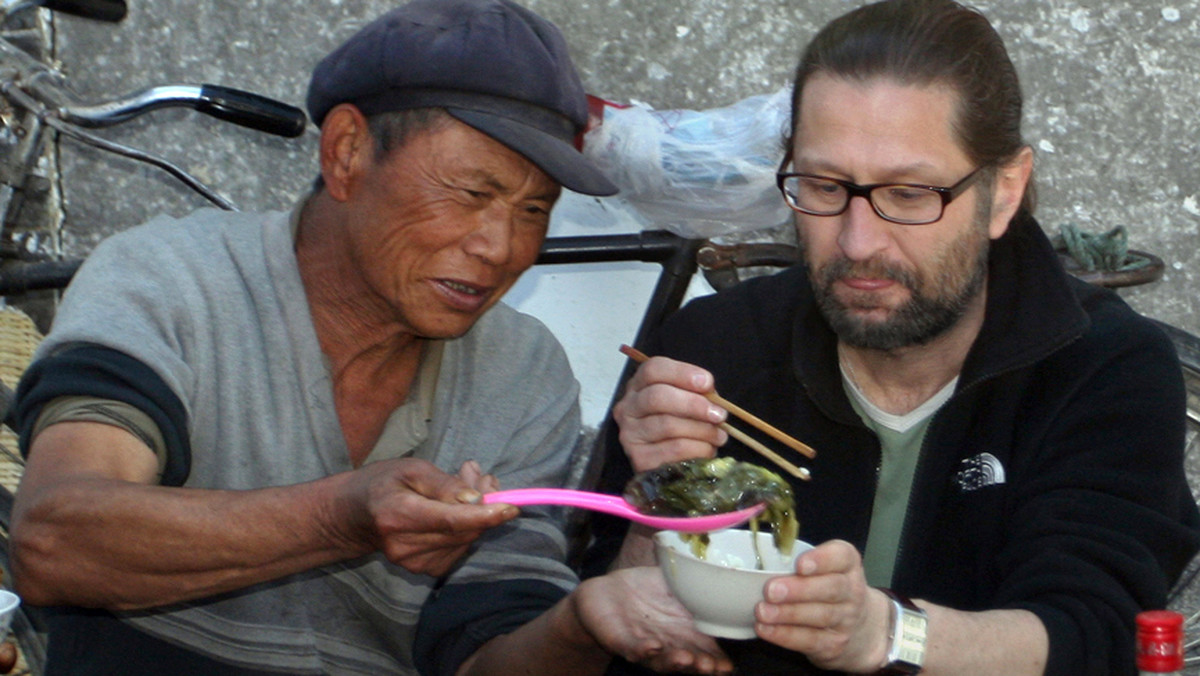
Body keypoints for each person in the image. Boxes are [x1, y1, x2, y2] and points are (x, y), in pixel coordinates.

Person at [576, 0, 1200, 674]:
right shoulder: (714, 347)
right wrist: (655, 500)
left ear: (1004, 191)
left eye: (908, 194)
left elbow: (1090, 634)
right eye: (822, 185)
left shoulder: (1101, 367)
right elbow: (616, 620)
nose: (857, 241)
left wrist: (885, 633)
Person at [6, 0, 620, 674]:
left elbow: (485, 655)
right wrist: (340, 520)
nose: (501, 247)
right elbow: (55, 541)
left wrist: (588, 625)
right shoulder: (172, 280)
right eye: (471, 194)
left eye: (535, 211)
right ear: (347, 152)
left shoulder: (526, 373)